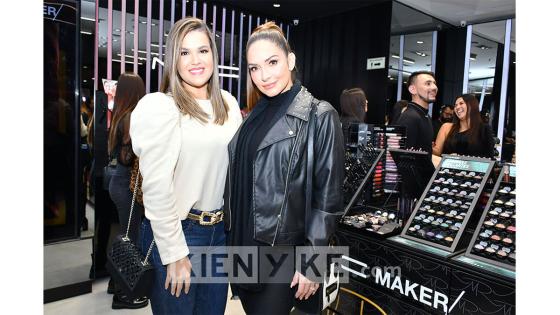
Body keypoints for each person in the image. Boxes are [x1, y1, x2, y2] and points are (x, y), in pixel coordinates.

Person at [226, 21, 345, 314]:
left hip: (283, 255)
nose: (263, 75)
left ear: (290, 60)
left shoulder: (319, 115)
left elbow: (327, 200)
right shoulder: (254, 115)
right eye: (254, 68)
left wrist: (313, 263)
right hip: (244, 247)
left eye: (272, 62)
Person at [130, 17, 242, 314]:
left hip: (218, 235)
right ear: (173, 59)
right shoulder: (161, 107)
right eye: (184, 52)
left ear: (214, 56)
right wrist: (174, 254)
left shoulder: (229, 106)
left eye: (203, 51)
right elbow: (156, 187)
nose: (195, 60)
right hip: (179, 232)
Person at [106, 72, 149, 309]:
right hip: (126, 186)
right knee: (130, 239)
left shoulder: (121, 114)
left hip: (117, 183)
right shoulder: (132, 116)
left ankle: (115, 283)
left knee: (124, 235)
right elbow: (127, 156)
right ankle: (124, 295)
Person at [433, 94, 495, 158]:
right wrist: (427, 146)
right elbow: (437, 152)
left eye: (461, 103)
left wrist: (460, 158)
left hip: (472, 167)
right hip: (446, 167)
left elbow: (489, 157)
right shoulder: (447, 127)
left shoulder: (484, 129)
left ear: (472, 106)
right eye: (455, 105)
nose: (457, 107)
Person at [394, 71, 438, 154]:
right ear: (413, 89)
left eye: (434, 83)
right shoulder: (410, 117)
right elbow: (403, 158)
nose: (434, 87)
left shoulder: (425, 115)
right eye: (428, 83)